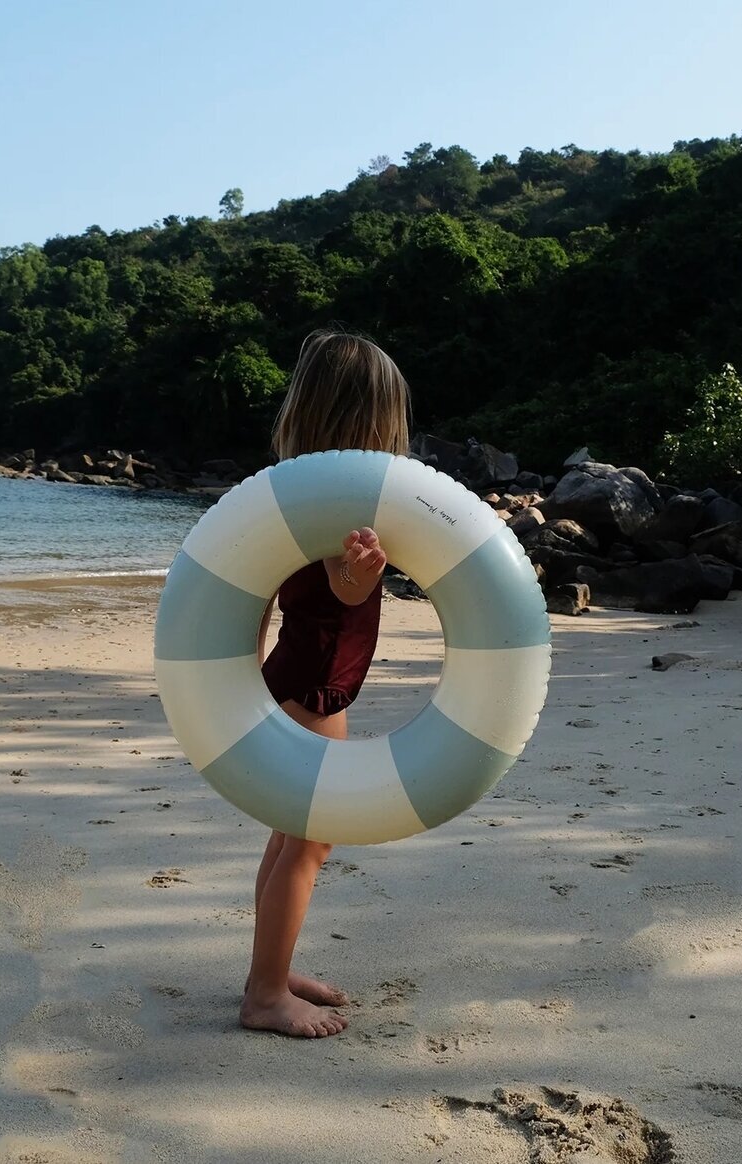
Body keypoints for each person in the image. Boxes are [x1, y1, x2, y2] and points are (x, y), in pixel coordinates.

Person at [241, 329, 410, 1038]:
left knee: (290, 839)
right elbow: (340, 589)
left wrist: (240, 686)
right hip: (315, 686)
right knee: (310, 843)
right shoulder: (344, 506)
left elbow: (256, 596)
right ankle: (264, 995)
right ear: (372, 422)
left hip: (294, 675)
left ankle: (271, 971)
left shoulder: (289, 494)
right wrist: (361, 575)